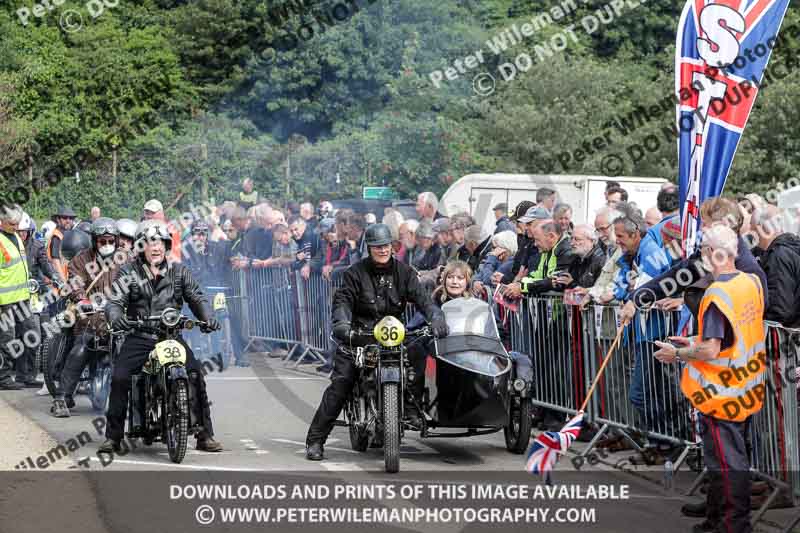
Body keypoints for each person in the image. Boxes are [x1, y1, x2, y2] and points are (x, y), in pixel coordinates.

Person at [654, 225, 766, 533]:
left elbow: (711, 349)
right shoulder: (751, 282)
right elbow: (732, 335)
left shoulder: (717, 293)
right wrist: (692, 341)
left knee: (726, 463)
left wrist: (677, 354)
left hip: (720, 391)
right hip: (746, 383)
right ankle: (719, 519)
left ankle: (732, 524)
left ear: (710, 253)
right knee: (728, 460)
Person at [304, 223, 449, 461]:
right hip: (361, 336)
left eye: (385, 246)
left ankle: (410, 409)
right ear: (369, 248)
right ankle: (316, 440)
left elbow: (424, 300)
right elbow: (342, 301)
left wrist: (436, 317)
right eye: (376, 246)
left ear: (392, 246)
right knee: (342, 383)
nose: (382, 250)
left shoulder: (404, 273)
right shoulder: (354, 273)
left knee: (417, 355)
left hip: (394, 336)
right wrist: (342, 325)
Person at [100, 219, 223, 453]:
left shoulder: (179, 271)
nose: (155, 247)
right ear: (140, 247)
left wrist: (208, 317)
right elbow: (114, 302)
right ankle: (113, 437)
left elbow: (197, 297)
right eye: (148, 242)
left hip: (170, 336)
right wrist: (116, 317)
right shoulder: (128, 272)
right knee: (119, 378)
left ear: (166, 246)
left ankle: (205, 435)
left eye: (159, 242)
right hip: (140, 336)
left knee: (195, 373)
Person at [51, 218, 123, 417]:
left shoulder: (127, 259)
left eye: (110, 241)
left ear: (116, 241)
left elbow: (137, 282)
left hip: (120, 316)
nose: (107, 245)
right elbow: (75, 282)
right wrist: (83, 300)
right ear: (94, 241)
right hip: (91, 316)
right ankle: (62, 397)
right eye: (102, 241)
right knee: (83, 345)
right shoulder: (81, 260)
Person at [0, 206, 38, 390]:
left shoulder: (14, 236)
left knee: (32, 333)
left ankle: (27, 375)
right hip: (4, 301)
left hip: (22, 297)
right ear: (2, 221)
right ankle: (4, 378)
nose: (16, 227)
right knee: (7, 338)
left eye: (17, 224)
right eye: (12, 224)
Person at [750, 205, 800, 327]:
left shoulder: (778, 255)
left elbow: (779, 310)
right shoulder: (792, 247)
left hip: (788, 338)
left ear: (761, 228)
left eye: (752, 230)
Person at [472, 230, 517, 296]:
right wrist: (475, 281)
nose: (492, 251)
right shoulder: (497, 259)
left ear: (504, 248)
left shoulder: (511, 262)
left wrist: (491, 258)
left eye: (494, 247)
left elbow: (487, 280)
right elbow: (480, 271)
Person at [48, 206, 78, 280]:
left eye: (70, 218)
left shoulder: (65, 235)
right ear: (58, 219)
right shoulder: (57, 237)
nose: (68, 220)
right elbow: (56, 262)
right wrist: (64, 282)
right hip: (58, 283)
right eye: (64, 218)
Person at [289, 215, 321, 279]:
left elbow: (313, 257)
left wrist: (308, 265)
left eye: (296, 229)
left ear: (303, 225)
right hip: (309, 278)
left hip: (318, 277)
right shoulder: (296, 238)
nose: (294, 233)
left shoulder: (310, 236)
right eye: (291, 231)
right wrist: (296, 259)